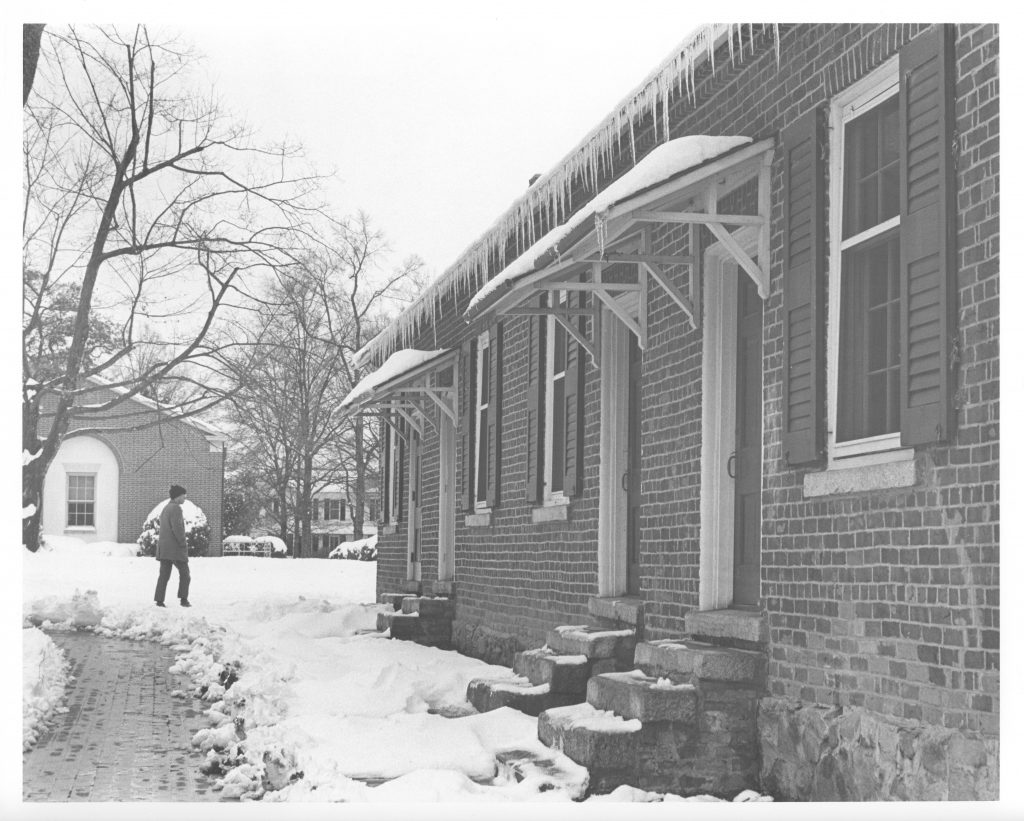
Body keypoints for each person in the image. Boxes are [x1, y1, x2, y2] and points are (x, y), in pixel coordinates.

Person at [154, 484, 192, 607]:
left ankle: (159, 600)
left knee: (164, 575)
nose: (185, 498)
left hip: (164, 548)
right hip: (175, 549)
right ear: (177, 496)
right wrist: (182, 543)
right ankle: (183, 599)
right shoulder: (176, 509)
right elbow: (178, 528)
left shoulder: (166, 508)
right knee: (185, 574)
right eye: (183, 496)